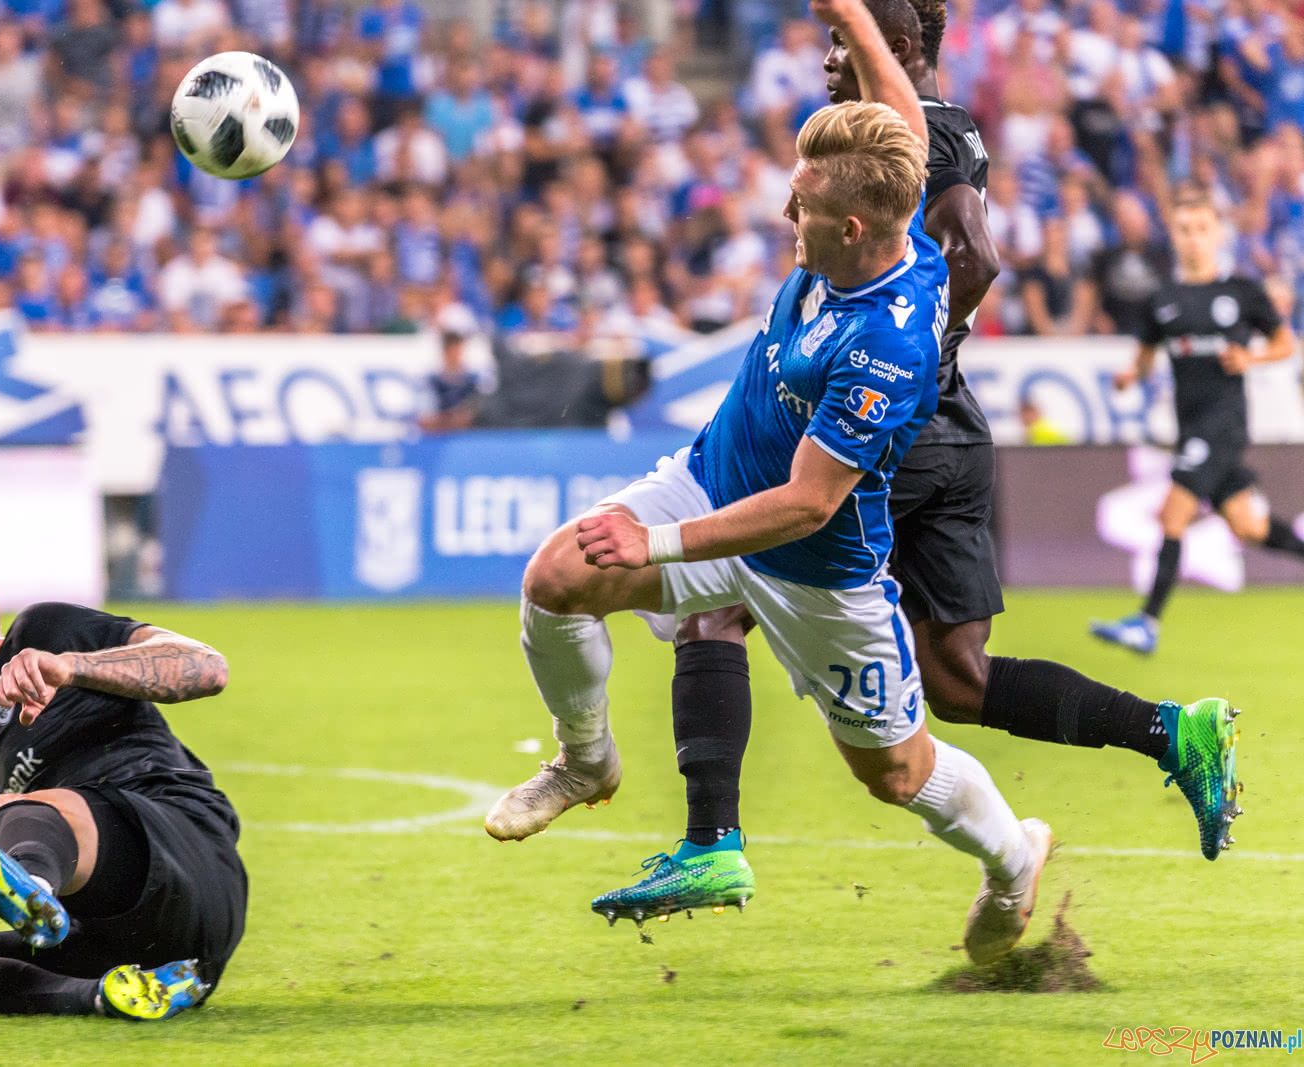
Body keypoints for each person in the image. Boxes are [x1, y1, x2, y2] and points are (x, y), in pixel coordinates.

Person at [582, 0, 1243, 927]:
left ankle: (710, 842)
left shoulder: (912, 141)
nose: (822, 63)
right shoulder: (945, 130)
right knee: (958, 679)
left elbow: (973, 253)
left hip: (906, 431)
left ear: (894, 48)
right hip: (955, 431)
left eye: (839, 45)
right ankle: (1169, 728)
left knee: (719, 587)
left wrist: (903, 360)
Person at [485, 0, 1049, 966]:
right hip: (708, 481)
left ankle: (1011, 865)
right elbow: (900, 112)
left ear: (859, 225)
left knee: (897, 771)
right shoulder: (888, 204)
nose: (789, 214)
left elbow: (807, 503)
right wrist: (845, 13)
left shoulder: (887, 340)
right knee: (552, 580)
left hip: (814, 566)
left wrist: (654, 547)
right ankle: (586, 761)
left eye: (808, 208)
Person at [0, 558, 246, 1020]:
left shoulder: (46, 631)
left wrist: (69, 667)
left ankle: (32, 888)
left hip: (186, 855)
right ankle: (108, 995)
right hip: (131, 936)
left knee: (10, 811)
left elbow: (207, 668)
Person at [1092, 191, 1304, 654]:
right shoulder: (1162, 300)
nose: (1193, 238)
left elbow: (1286, 343)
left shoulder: (1242, 292)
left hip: (1224, 424)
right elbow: (1146, 358)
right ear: (1174, 235)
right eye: (1185, 229)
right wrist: (1131, 375)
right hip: (1190, 428)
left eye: (1202, 228)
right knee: (1248, 525)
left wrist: (1252, 356)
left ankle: (1146, 622)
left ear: (1217, 233)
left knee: (1173, 511)